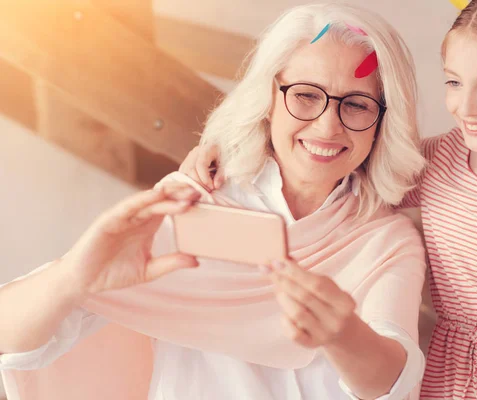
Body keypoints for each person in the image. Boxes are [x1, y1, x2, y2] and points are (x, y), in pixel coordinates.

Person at [0, 4, 430, 400]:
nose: (327, 126)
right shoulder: (193, 202)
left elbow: (393, 382)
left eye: (356, 104)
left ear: (383, 121)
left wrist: (345, 336)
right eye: (305, 95)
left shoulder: (385, 241)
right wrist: (72, 277)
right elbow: (10, 336)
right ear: (269, 99)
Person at [181, 1, 477, 399]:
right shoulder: (441, 159)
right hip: (446, 367)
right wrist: (223, 149)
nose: (465, 106)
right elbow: (337, 158)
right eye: (453, 82)